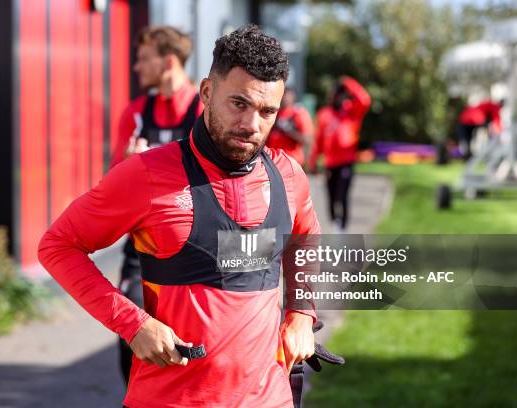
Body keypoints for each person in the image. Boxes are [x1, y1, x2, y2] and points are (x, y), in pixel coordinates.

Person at [38, 24, 319, 407]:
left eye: (267, 111)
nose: (252, 125)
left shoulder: (288, 177)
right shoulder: (146, 176)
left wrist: (301, 312)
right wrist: (133, 323)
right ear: (207, 92)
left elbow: (304, 236)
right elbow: (58, 245)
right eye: (239, 104)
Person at [109, 26, 204, 383]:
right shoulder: (134, 113)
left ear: (167, 61)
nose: (136, 67)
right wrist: (130, 170)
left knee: (199, 342)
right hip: (142, 249)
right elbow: (112, 187)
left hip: (198, 248)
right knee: (129, 336)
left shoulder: (205, 111)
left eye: (143, 59)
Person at [309, 76, 370, 233]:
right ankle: (335, 223)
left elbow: (365, 100)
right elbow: (318, 140)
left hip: (346, 161)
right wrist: (313, 161)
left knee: (342, 195)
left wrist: (347, 82)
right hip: (330, 163)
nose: (338, 98)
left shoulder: (351, 111)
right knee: (331, 197)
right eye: (337, 94)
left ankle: (342, 227)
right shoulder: (324, 114)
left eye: (342, 94)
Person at [266, 87, 314, 166]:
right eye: (283, 95)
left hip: (291, 161)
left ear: (293, 97)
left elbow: (307, 139)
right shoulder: (274, 113)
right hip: (273, 161)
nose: (284, 98)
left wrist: (289, 131)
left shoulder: (298, 114)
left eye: (287, 96)